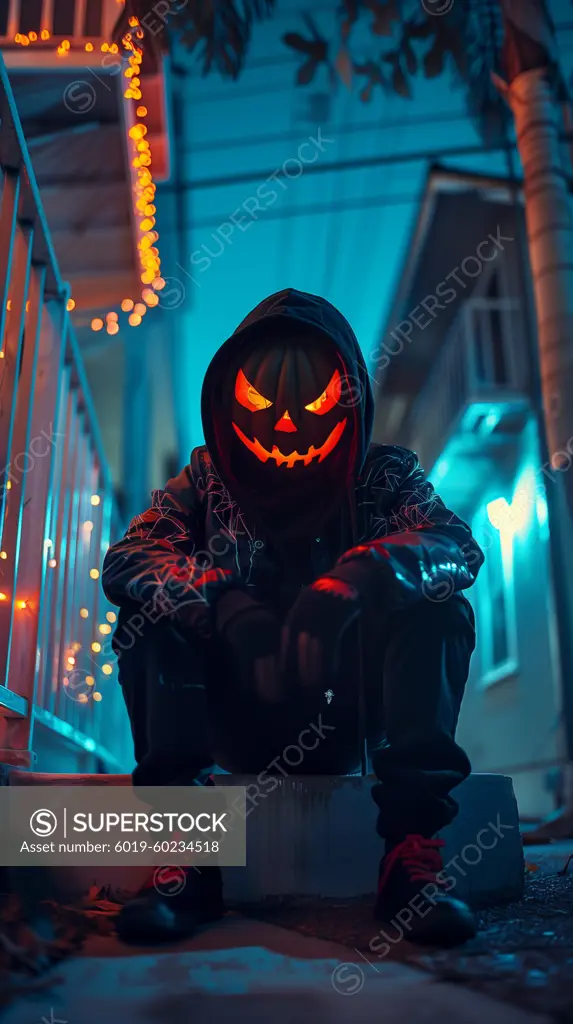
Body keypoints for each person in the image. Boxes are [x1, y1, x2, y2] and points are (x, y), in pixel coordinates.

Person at [102, 288, 483, 946]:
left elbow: (453, 547)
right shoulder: (203, 481)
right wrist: (222, 604)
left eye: (311, 404)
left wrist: (358, 580)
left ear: (350, 398)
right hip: (235, 714)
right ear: (227, 401)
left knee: (439, 608)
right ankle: (187, 858)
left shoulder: (382, 478)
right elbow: (130, 559)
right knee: (150, 619)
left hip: (344, 715)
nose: (283, 424)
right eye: (259, 401)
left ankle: (410, 856)